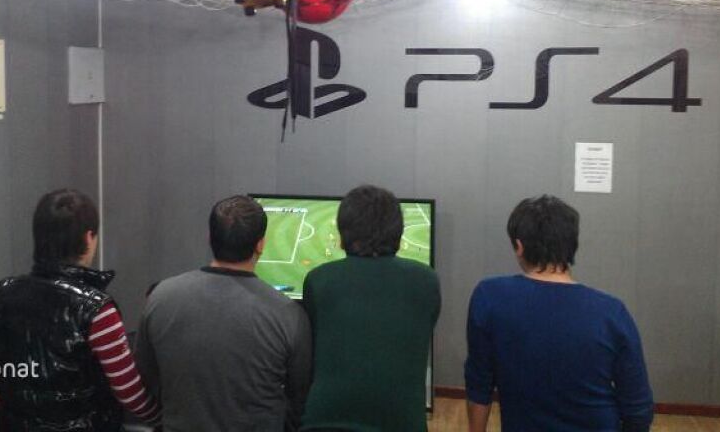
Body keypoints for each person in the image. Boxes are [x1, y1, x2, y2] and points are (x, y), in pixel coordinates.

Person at [465, 195, 654, 432]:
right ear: (572, 245)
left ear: (519, 247)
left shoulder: (490, 297)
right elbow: (638, 410)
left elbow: (479, 387)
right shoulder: (612, 313)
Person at [0, 189, 160, 431]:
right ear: (89, 237)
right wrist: (163, 419)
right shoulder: (97, 308)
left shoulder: (4, 292)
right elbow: (128, 391)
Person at [136, 195, 312, 432]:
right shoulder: (288, 315)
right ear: (260, 245)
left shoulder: (160, 297)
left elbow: (145, 376)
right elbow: (300, 396)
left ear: (210, 237)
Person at [300, 185, 441, 432]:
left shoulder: (319, 279)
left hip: (323, 423)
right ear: (398, 234)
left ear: (342, 235)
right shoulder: (426, 280)